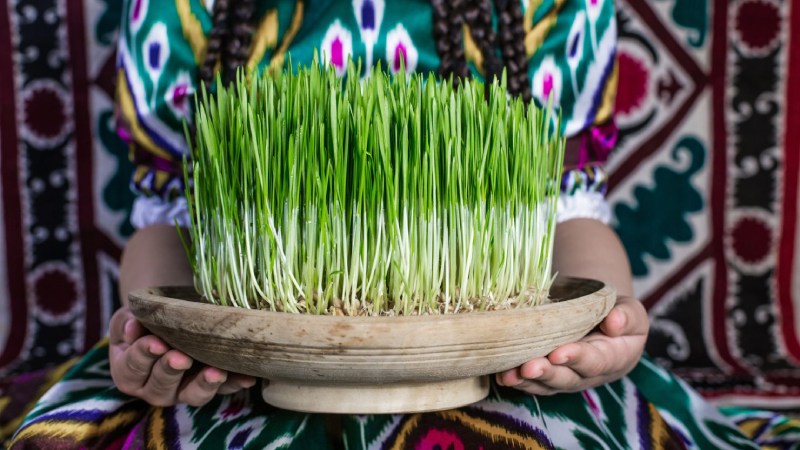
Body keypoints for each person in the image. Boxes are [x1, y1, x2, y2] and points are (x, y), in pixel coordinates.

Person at [9, 0, 772, 448]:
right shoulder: (186, 14)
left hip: (500, 364)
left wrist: (603, 320)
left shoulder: (548, 10)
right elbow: (165, 221)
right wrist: (156, 334)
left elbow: (570, 208)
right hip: (243, 374)